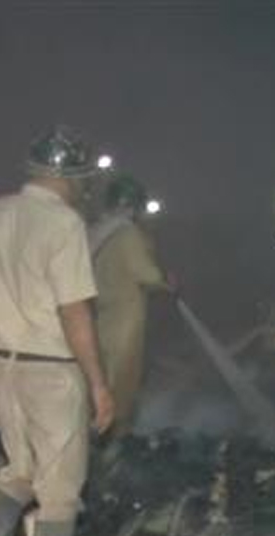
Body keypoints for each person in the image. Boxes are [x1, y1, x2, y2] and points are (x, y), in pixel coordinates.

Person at [0, 126, 115, 536]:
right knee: (59, 489)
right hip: (52, 370)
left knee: (18, 470)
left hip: (6, 362)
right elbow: (75, 313)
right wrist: (98, 384)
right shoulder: (64, 224)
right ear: (70, 178)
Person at [87, 174, 175, 437]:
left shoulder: (96, 231)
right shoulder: (128, 232)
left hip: (98, 315)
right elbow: (145, 273)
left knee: (99, 378)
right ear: (134, 205)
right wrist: (166, 283)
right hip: (127, 318)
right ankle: (113, 442)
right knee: (122, 383)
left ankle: (94, 436)